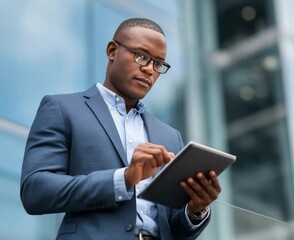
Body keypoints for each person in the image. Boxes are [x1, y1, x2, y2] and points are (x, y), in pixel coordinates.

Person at [20, 18, 221, 240]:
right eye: (141, 56)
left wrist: (196, 210)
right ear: (112, 51)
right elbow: (35, 191)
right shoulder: (63, 109)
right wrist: (123, 179)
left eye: (158, 63)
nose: (149, 70)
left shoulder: (170, 136)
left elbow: (172, 228)